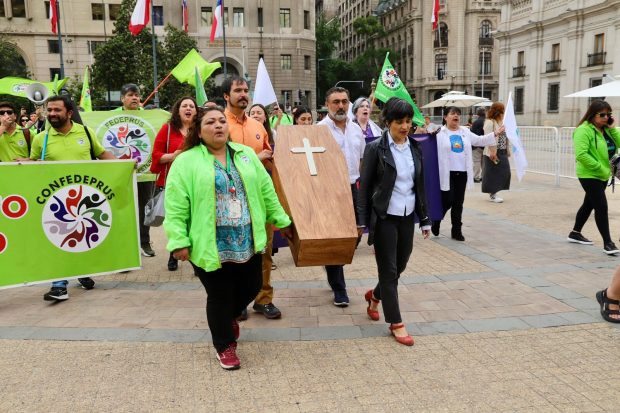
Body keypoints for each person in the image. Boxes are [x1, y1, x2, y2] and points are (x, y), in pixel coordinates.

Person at [164, 106, 292, 370]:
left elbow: (267, 191)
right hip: (209, 243)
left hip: (247, 239)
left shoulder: (245, 155)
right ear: (198, 131)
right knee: (219, 295)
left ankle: (229, 316)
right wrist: (178, 241)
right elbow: (175, 205)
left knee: (252, 285)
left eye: (222, 121)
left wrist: (283, 221)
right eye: (210, 122)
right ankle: (224, 345)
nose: (218, 125)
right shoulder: (186, 161)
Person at [358, 98, 431, 346]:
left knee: (400, 266)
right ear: (388, 122)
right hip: (384, 216)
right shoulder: (375, 148)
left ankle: (375, 295)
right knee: (388, 270)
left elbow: (419, 185)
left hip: (407, 215)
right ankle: (396, 322)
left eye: (408, 121)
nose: (405, 126)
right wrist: (361, 221)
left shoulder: (415, 148)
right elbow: (365, 187)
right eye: (399, 121)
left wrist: (425, 219)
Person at [29, 95, 116, 301]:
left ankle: (82, 271)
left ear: (69, 113)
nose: (51, 114)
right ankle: (59, 286)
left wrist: (126, 165)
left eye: (56, 110)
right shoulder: (41, 138)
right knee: (58, 240)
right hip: (55, 203)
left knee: (79, 239)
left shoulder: (86, 133)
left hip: (83, 201)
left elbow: (102, 155)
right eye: (49, 110)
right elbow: (32, 166)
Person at [223, 75, 282, 320]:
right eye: (238, 90)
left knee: (264, 251)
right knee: (235, 253)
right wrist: (254, 160)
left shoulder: (258, 126)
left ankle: (263, 299)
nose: (243, 94)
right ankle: (237, 302)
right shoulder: (218, 124)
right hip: (230, 200)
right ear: (226, 95)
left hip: (259, 200)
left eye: (246, 90)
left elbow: (270, 157)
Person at [318, 86, 366, 306]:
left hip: (354, 188)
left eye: (344, 101)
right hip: (330, 190)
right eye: (335, 102)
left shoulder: (356, 129)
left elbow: (363, 158)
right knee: (337, 238)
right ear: (327, 104)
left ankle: (331, 265)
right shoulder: (319, 130)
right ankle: (339, 288)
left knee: (356, 235)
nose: (341, 106)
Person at [431, 106, 503, 241]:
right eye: (452, 114)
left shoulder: (465, 131)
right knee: (447, 200)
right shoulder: (440, 133)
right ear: (445, 117)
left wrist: (495, 133)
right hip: (446, 173)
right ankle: (436, 220)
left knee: (458, 203)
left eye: (457, 114)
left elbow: (480, 140)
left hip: (462, 172)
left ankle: (456, 231)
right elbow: (428, 145)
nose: (456, 116)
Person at [151, 96, 197, 271]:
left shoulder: (199, 130)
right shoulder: (168, 129)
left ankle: (193, 257)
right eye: (184, 106)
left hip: (194, 182)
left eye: (191, 106)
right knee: (176, 219)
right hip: (171, 183)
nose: (188, 108)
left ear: (196, 111)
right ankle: (173, 254)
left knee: (192, 220)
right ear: (178, 110)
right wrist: (173, 156)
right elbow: (156, 155)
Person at [568, 100, 620, 255]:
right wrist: (600, 167)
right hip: (589, 174)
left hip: (603, 174)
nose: (606, 117)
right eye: (602, 114)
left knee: (588, 204)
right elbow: (582, 155)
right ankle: (608, 243)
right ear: (592, 114)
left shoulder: (607, 129)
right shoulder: (583, 130)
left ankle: (575, 233)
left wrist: (614, 129)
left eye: (609, 114)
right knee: (601, 206)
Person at [114, 83, 155, 258]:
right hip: (121, 173)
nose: (135, 98)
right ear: (122, 98)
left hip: (145, 172)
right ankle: (123, 245)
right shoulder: (111, 117)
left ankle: (144, 242)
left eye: (137, 95)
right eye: (130, 95)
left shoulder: (149, 117)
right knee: (122, 207)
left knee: (145, 207)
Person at [481, 102, 511, 203]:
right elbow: (489, 138)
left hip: (502, 151)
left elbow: (506, 138)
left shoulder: (502, 122)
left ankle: (495, 191)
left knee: (506, 172)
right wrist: (492, 152)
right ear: (498, 111)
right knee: (492, 173)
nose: (504, 112)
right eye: (502, 110)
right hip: (492, 151)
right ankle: (493, 193)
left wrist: (508, 150)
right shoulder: (489, 122)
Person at [470, 107, 486, 183]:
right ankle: (484, 176)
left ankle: (476, 177)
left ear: (477, 114)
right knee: (484, 162)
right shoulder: (487, 121)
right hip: (485, 145)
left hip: (477, 145)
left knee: (476, 161)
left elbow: (472, 133)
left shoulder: (476, 122)